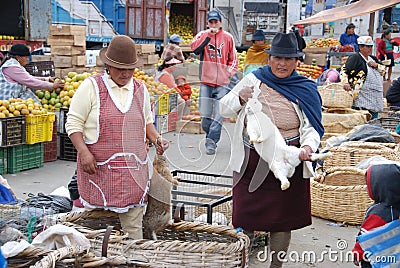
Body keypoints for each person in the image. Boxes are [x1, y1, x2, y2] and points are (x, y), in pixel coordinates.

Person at [220, 32, 323, 268]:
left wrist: (308, 146)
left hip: (286, 163)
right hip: (251, 162)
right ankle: (242, 262)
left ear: (297, 61)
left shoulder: (305, 88)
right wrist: (240, 100)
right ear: (269, 58)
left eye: (288, 59)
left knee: (282, 220)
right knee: (245, 217)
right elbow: (224, 110)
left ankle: (276, 266)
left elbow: (312, 126)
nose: (282, 64)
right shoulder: (253, 80)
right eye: (277, 58)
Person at [65, 35, 169, 239]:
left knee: (133, 226)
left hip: (133, 173)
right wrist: (84, 153)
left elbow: (147, 121)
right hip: (100, 170)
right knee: (98, 227)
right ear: (108, 67)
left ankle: (133, 258)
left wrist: (157, 139)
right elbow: (73, 124)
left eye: (129, 69)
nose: (125, 74)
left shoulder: (140, 89)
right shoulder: (91, 87)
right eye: (120, 69)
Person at [190, 10, 238, 155]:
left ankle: (211, 142)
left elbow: (233, 59)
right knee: (205, 115)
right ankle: (209, 133)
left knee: (219, 113)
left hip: (222, 83)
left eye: (215, 22)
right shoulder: (202, 35)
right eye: (211, 22)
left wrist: (227, 73)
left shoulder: (228, 38)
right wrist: (208, 35)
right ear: (207, 23)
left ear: (220, 22)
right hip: (206, 81)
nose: (213, 24)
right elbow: (193, 48)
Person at [352, 164, 400, 268]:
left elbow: (366, 237)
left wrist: (357, 253)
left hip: (372, 256)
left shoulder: (378, 212)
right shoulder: (396, 208)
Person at [341, 36, 386, 119]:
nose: (370, 49)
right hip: (362, 98)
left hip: (375, 99)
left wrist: (376, 65)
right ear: (360, 47)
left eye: (371, 46)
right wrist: (345, 82)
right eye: (367, 47)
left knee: (373, 123)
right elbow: (344, 70)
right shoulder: (356, 58)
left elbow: (383, 70)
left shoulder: (373, 59)